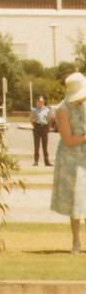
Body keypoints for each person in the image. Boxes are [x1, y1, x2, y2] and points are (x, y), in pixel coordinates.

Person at [50, 73, 86, 252]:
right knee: (76, 201)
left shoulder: (84, 105)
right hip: (72, 160)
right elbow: (67, 139)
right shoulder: (62, 109)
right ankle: (76, 241)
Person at [31, 95, 52, 168]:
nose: (40, 102)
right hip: (37, 127)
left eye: (42, 101)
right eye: (39, 101)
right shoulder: (34, 110)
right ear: (37, 102)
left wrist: (47, 126)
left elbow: (49, 118)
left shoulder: (47, 110)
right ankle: (36, 161)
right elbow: (31, 119)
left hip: (44, 127)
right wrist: (34, 125)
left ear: (44, 102)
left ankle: (47, 161)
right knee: (37, 145)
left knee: (45, 145)